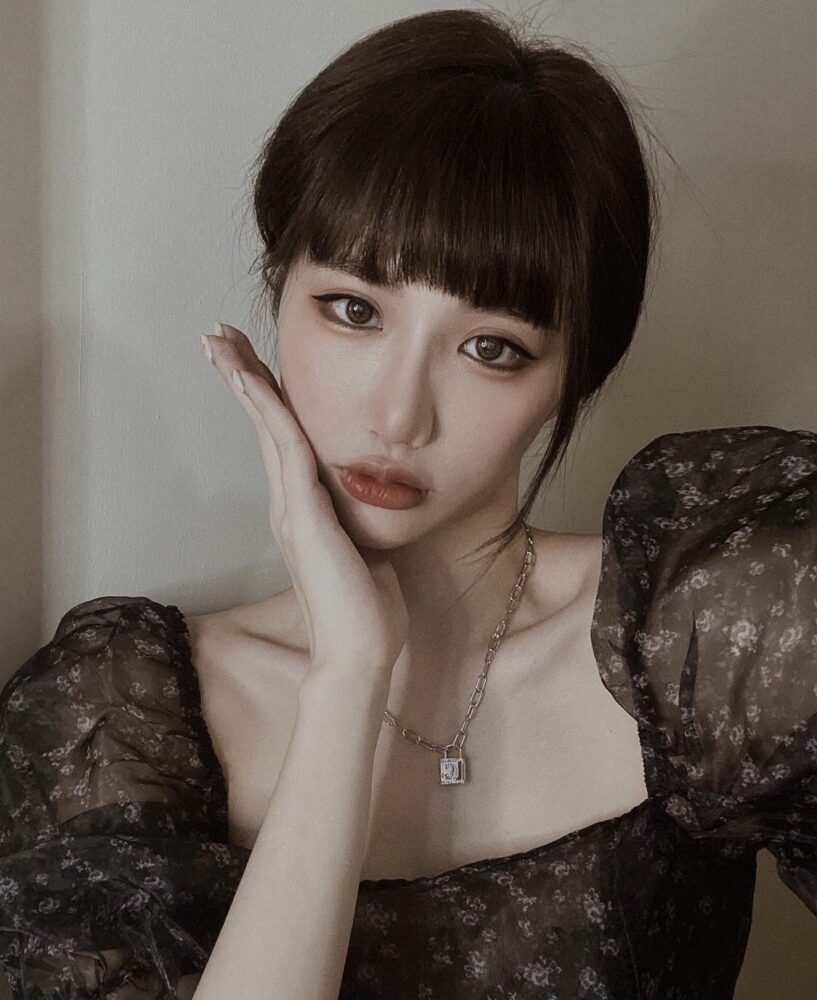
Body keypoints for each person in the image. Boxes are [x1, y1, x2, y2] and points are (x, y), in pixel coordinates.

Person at [1, 8, 815, 1000]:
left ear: (574, 373)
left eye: (490, 348)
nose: (397, 414)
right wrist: (350, 672)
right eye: (353, 309)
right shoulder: (117, 714)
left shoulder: (709, 635)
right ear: (277, 289)